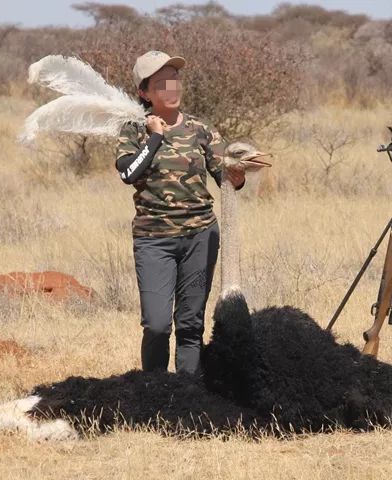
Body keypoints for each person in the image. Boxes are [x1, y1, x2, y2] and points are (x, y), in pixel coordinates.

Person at [114, 51, 245, 375]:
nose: (171, 88)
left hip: (200, 235)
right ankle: (154, 394)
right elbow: (128, 173)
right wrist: (156, 136)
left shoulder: (201, 130)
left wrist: (238, 174)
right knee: (157, 325)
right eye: (161, 83)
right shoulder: (133, 130)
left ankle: (188, 399)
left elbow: (224, 178)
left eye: (174, 80)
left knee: (191, 324)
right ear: (144, 92)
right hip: (153, 239)